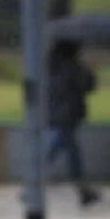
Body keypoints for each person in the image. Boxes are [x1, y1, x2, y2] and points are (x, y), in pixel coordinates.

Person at [46, 41, 100, 207]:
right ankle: (31, 184)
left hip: (56, 113)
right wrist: (90, 71)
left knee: (71, 152)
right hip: (68, 115)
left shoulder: (51, 66)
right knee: (56, 149)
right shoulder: (73, 67)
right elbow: (87, 85)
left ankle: (84, 190)